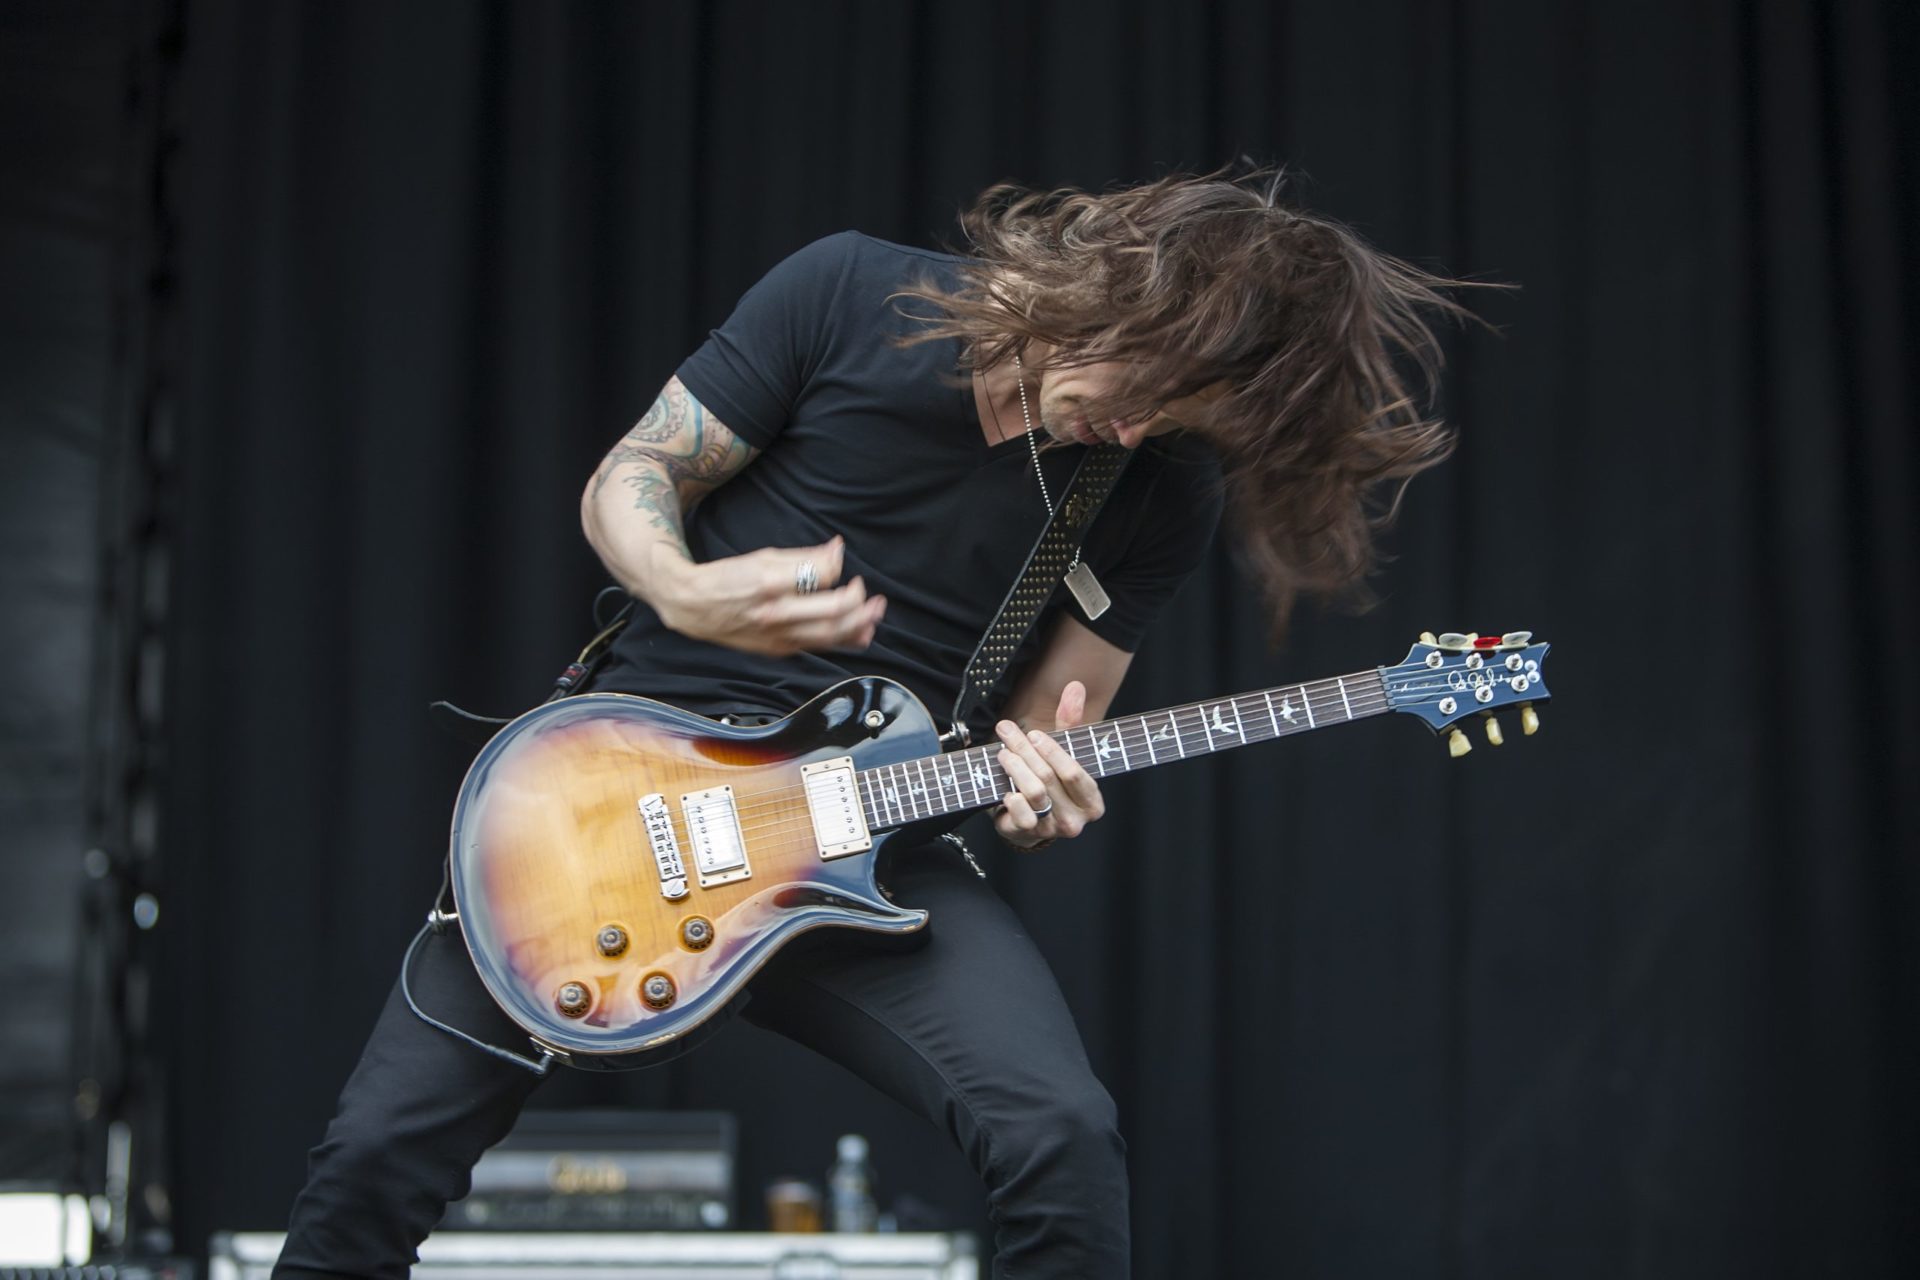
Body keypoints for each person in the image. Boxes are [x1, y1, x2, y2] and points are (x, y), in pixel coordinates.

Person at [272, 170, 1466, 1280]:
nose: (1142, 428)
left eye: (1183, 418)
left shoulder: (1160, 486)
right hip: (610, 799)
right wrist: (684, 587)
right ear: (1120, 288)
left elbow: (1052, 727)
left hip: (863, 836)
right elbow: (630, 475)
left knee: (1061, 1133)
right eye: (1148, 388)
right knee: (377, 1160)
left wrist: (1042, 794)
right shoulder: (849, 290)